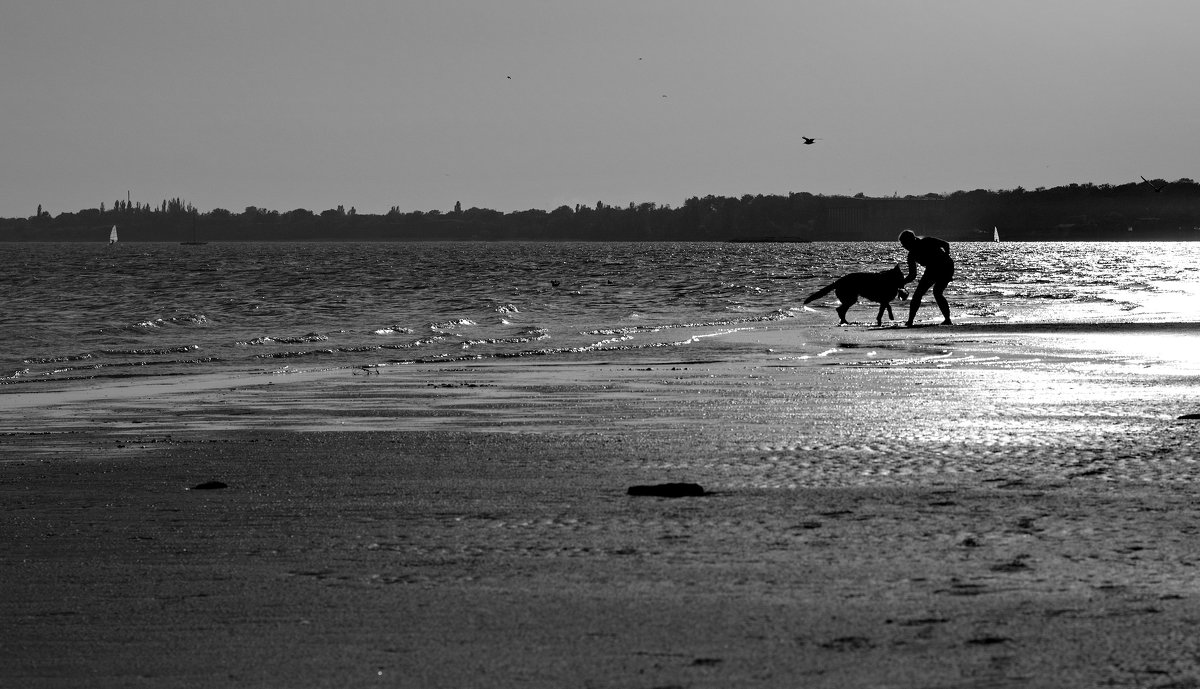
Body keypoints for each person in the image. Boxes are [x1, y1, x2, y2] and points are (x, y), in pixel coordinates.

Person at [898, 229, 954, 326]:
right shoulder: (911, 255)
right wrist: (903, 282)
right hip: (931, 269)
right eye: (903, 245)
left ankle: (947, 319)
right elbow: (912, 275)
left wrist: (946, 256)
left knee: (937, 292)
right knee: (917, 295)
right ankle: (910, 321)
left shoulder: (927, 241)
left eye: (905, 244)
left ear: (911, 240)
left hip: (946, 266)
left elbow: (946, 244)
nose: (905, 247)